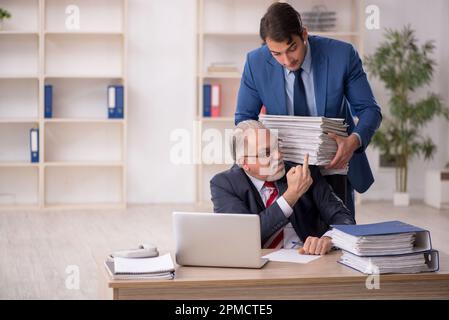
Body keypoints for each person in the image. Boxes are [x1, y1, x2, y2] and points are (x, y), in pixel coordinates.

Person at [235, 3, 382, 219]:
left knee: (340, 239)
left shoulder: (342, 55)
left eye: (292, 48)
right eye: (276, 54)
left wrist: (353, 141)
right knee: (289, 243)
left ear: (304, 34)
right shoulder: (255, 63)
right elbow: (244, 120)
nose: (287, 60)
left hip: (334, 167)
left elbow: (370, 110)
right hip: (284, 173)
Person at [210, 120, 355, 255]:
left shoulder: (304, 172)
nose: (278, 155)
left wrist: (328, 239)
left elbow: (344, 218)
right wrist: (291, 195)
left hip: (306, 259)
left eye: (277, 146)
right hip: (258, 264)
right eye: (266, 153)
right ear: (245, 163)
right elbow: (241, 236)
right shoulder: (223, 184)